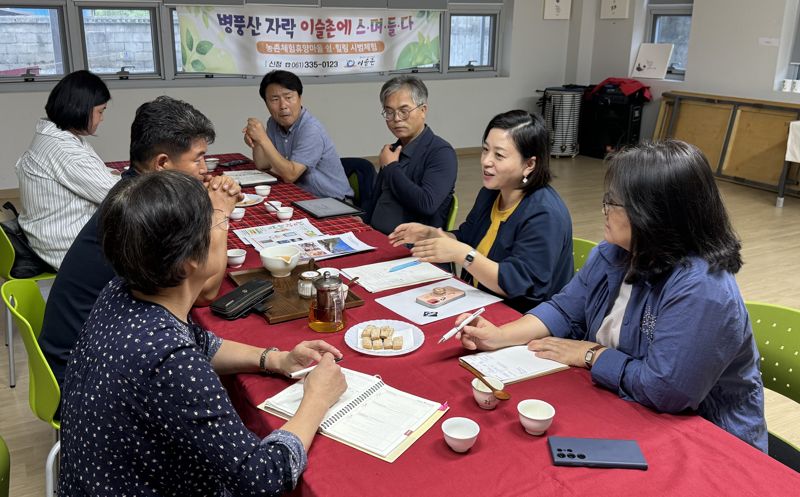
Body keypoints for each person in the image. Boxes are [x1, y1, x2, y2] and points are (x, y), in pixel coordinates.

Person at [455, 140, 768, 451]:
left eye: (613, 204)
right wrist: (499, 336)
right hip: (628, 406)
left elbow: (665, 390)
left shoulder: (701, 287)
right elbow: (565, 310)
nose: (604, 210)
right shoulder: (614, 253)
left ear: (653, 215)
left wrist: (592, 355)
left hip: (708, 440)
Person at [58, 170, 347, 495]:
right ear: (188, 263)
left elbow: (201, 343)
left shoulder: (120, 291)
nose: (223, 231)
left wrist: (276, 360)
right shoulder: (169, 358)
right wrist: (317, 400)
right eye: (217, 224)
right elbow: (261, 479)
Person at [38, 96, 241, 392]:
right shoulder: (150, 216)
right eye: (197, 158)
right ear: (162, 163)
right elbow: (204, 292)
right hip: (83, 374)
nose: (204, 169)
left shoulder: (132, 194)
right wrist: (220, 213)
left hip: (81, 349)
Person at [389, 110, 573, 312]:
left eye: (499, 155)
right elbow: (468, 238)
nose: (486, 161)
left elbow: (518, 285)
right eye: (485, 150)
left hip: (520, 319)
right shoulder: (491, 193)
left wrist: (463, 255)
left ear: (529, 164)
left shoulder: (545, 214)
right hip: (477, 303)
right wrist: (434, 234)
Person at [15, 70, 120, 269]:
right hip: (67, 248)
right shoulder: (65, 149)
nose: (102, 118)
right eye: (101, 111)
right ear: (81, 109)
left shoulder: (54, 135)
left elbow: (96, 177)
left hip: (45, 237)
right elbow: (118, 196)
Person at [365, 75, 458, 235]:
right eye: (389, 112)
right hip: (376, 237)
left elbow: (426, 204)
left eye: (404, 111)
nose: (396, 119)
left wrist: (392, 167)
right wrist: (364, 222)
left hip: (411, 247)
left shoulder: (441, 153)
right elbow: (377, 199)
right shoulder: (393, 150)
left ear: (423, 111)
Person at [243, 70, 352, 199]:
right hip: (301, 196)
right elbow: (263, 164)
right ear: (266, 103)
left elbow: (290, 175)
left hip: (332, 202)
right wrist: (257, 141)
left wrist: (263, 138)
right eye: (275, 99)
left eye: (288, 97)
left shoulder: (311, 129)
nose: (283, 105)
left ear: (300, 98)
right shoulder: (273, 123)